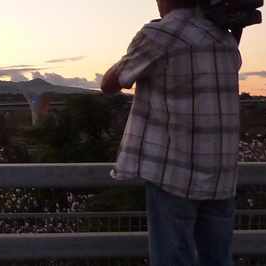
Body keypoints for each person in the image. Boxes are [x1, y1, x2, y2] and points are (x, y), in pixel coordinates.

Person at [101, 0, 242, 265]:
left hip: (173, 174)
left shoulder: (162, 34)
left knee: (173, 259)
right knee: (218, 259)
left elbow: (110, 84)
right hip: (221, 176)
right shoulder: (225, 38)